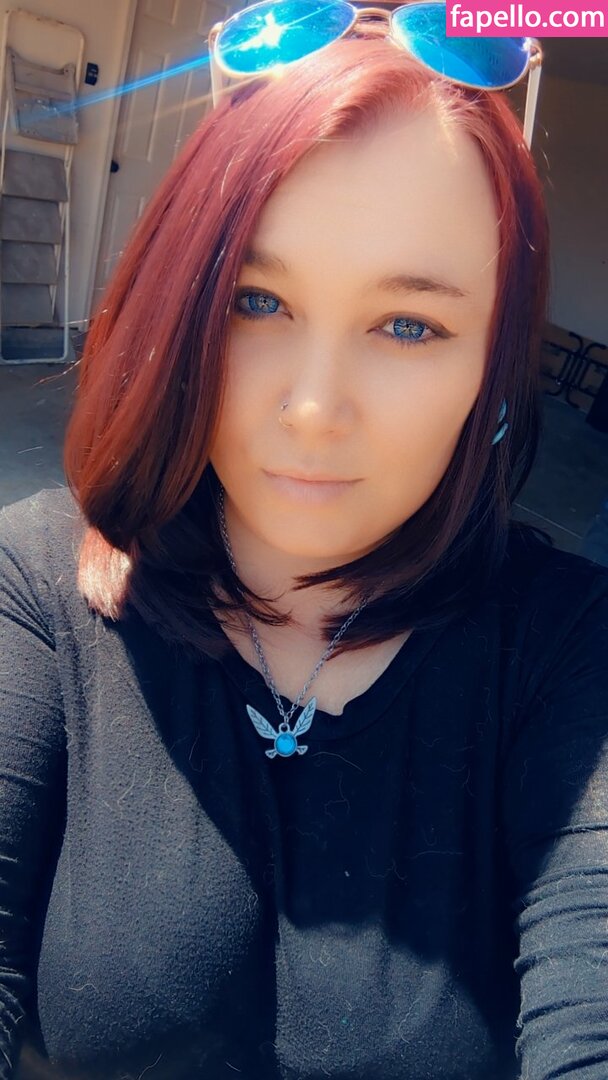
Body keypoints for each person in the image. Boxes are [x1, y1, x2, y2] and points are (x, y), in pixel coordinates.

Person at [1, 5, 607, 1079]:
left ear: (492, 366)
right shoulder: (37, 589)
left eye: (409, 325)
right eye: (256, 300)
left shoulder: (570, 650)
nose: (315, 409)